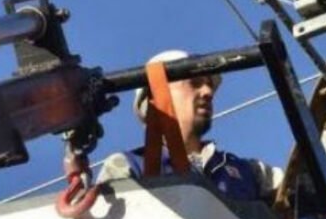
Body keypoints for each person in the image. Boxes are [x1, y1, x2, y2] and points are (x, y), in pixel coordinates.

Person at [99, 49, 283, 202]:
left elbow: (292, 189)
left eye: (209, 85)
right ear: (157, 97)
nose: (208, 92)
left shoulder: (251, 172)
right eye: (195, 83)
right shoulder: (128, 165)